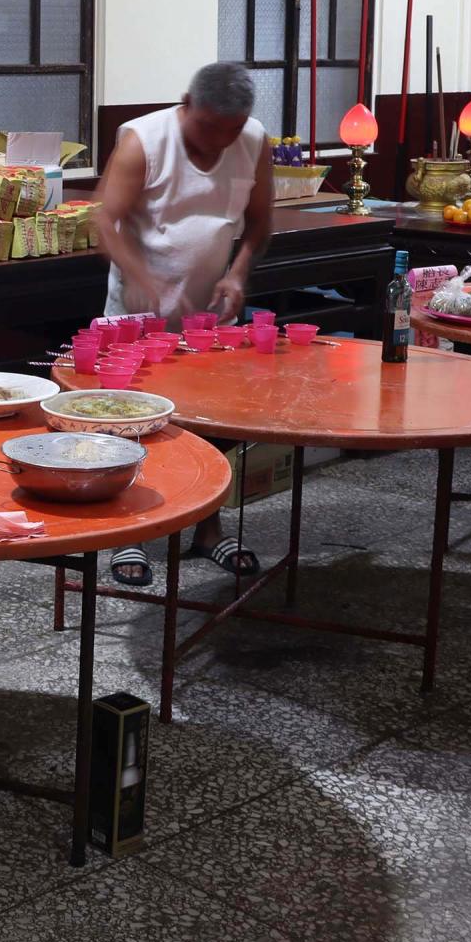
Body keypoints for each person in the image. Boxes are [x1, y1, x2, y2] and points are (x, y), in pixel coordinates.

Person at [95, 62, 274, 587]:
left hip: (208, 314)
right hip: (137, 314)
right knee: (132, 423)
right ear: (186, 104)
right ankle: (129, 530)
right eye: (208, 128)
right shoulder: (144, 141)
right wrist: (139, 276)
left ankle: (208, 529)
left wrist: (237, 273)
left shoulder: (254, 140)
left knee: (211, 422)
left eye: (230, 131)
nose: (219, 142)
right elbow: (104, 219)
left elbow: (260, 222)